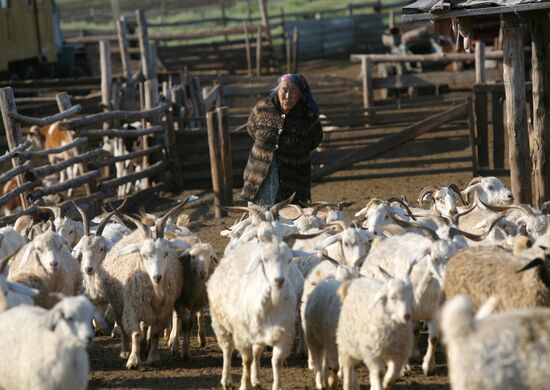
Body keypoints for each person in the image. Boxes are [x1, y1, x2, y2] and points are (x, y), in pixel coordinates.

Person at [241, 74, 323, 206]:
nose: (287, 96)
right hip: (259, 177)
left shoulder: (308, 116)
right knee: (261, 221)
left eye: (293, 92)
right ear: (277, 90)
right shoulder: (262, 107)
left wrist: (292, 152)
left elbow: (315, 140)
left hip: (294, 180)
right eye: (284, 90)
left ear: (300, 95)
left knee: (291, 221)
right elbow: (251, 128)